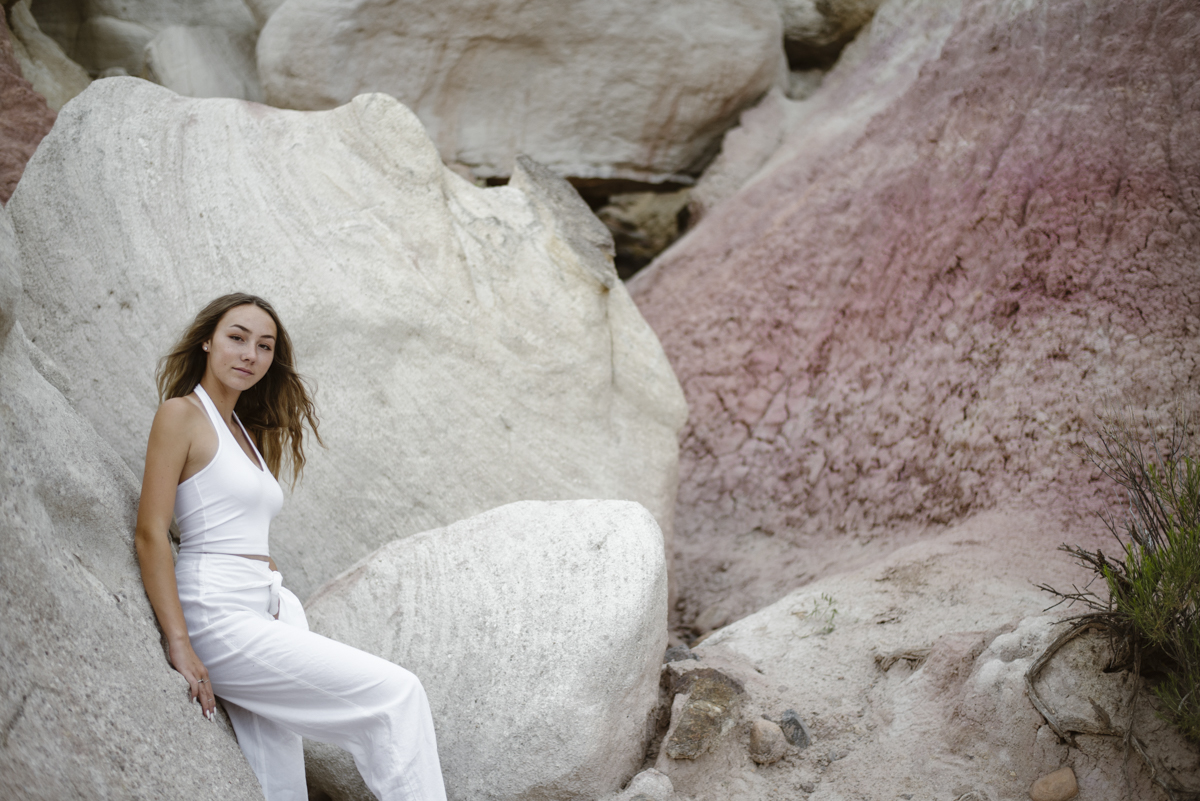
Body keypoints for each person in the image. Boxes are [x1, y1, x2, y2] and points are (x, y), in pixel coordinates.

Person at [134, 292, 446, 801]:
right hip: (215, 612)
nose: (249, 354)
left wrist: (264, 573)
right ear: (208, 341)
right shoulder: (181, 415)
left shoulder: (244, 431)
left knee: (278, 777)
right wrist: (179, 642)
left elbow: (240, 523)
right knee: (398, 696)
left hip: (265, 604)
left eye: (264, 346)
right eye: (237, 338)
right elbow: (151, 532)